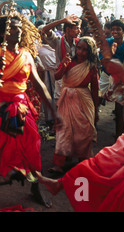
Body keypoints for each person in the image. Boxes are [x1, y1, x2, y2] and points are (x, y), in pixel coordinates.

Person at [37, 19, 124, 212]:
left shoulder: (92, 66)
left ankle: (64, 183)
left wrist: (122, 76)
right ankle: (63, 183)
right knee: (104, 164)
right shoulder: (65, 52)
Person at [0, 14, 59, 208]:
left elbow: (39, 86)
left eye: (19, 27)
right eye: (13, 28)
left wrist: (55, 112)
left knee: (31, 148)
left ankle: (35, 189)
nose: (18, 30)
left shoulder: (26, 54)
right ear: (3, 33)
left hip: (22, 108)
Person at [48, 37, 99, 175]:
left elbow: (95, 89)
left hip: (84, 101)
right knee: (64, 131)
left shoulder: (91, 67)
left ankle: (83, 161)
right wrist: (63, 65)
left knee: (84, 130)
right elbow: (57, 77)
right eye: (79, 48)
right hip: (67, 100)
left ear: (90, 52)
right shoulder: (69, 62)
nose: (81, 52)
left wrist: (96, 110)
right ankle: (58, 163)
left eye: (85, 50)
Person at [99, 19, 124, 138]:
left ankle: (120, 137)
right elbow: (102, 62)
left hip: (122, 78)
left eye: (118, 29)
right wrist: (110, 55)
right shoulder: (107, 42)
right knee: (96, 100)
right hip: (106, 76)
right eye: (113, 29)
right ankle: (91, 133)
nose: (115, 31)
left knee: (120, 109)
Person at [41, 14, 81, 105]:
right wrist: (63, 20)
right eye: (77, 28)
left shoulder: (80, 43)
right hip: (61, 78)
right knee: (61, 105)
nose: (79, 31)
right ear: (67, 30)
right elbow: (45, 30)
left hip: (76, 78)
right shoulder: (58, 41)